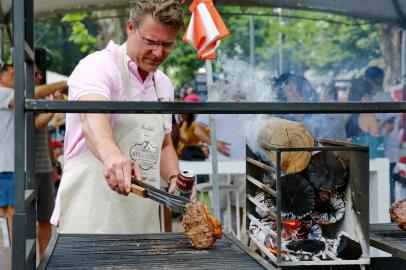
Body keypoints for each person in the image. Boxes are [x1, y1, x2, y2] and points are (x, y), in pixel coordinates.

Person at [51, 0, 195, 234]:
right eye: (150, 42)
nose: (158, 53)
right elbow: (93, 118)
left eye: (167, 45)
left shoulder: (164, 85)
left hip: (143, 219)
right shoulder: (98, 66)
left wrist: (174, 178)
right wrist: (112, 156)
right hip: (91, 215)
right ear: (130, 28)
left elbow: (164, 144)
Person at [0, 63, 67, 240]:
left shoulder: (13, 99)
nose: (17, 79)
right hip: (8, 167)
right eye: (13, 75)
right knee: (10, 214)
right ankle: (11, 261)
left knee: (13, 215)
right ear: (1, 79)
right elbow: (34, 97)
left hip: (16, 166)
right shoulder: (3, 93)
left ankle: (13, 260)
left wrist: (54, 103)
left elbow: (39, 125)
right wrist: (63, 83)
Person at [194, 114, 245, 235]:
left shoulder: (245, 100)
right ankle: (217, 238)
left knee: (238, 206)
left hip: (243, 162)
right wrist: (215, 143)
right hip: (220, 163)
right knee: (219, 205)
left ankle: (235, 240)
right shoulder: (214, 99)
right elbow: (197, 130)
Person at [365, 66, 400, 204]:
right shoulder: (377, 98)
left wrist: (376, 132)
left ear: (370, 80)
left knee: (386, 192)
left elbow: (390, 125)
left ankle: (390, 221)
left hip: (387, 154)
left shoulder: (384, 97)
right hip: (383, 153)